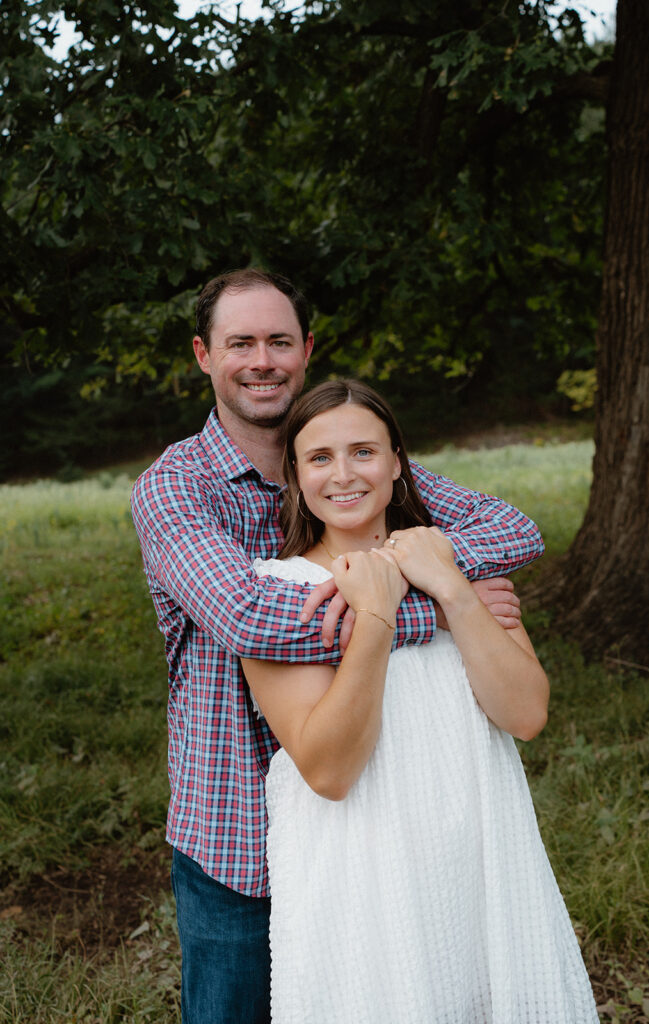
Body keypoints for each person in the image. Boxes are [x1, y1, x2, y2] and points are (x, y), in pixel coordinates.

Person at [130, 269, 545, 1024]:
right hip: (238, 830)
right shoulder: (175, 486)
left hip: (395, 821)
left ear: (306, 349)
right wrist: (440, 613)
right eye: (240, 343)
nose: (262, 359)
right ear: (203, 354)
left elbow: (514, 530)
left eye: (279, 341)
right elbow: (251, 617)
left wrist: (410, 577)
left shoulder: (342, 450)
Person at [241, 379, 599, 1024]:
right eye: (319, 458)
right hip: (362, 869)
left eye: (364, 452)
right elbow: (328, 771)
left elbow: (526, 715)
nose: (344, 475)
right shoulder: (278, 597)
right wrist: (375, 617)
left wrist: (452, 591)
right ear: (294, 475)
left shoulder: (455, 565)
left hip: (480, 849)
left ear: (399, 460)